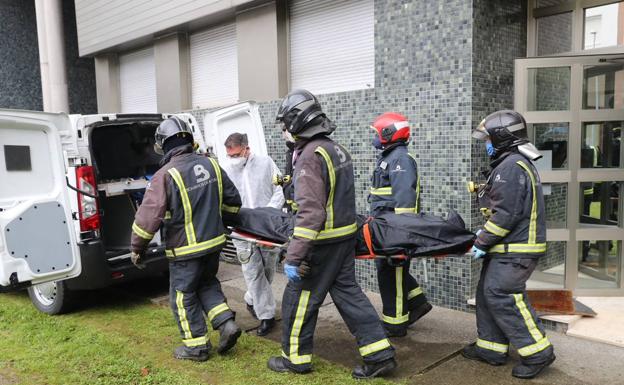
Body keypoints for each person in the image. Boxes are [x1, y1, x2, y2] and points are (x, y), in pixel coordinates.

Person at [267, 89, 397, 379]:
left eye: (284, 125)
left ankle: (295, 359)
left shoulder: (310, 156)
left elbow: (311, 212)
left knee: (299, 299)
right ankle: (380, 355)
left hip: (320, 243)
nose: (284, 132)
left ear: (297, 122)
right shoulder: (334, 148)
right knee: (350, 295)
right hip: (343, 239)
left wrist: (294, 254)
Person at [129, 117, 243, 362]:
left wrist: (137, 248)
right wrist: (223, 221)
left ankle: (197, 347)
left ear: (163, 145)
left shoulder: (164, 175)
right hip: (213, 244)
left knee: (182, 296)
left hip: (185, 250)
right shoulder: (212, 164)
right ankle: (226, 324)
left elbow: (148, 217)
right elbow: (233, 201)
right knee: (207, 284)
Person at [464, 110, 556, 379]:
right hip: (508, 247)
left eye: (488, 138)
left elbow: (507, 214)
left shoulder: (510, 167)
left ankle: (538, 352)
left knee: (502, 295)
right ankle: (491, 348)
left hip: (517, 249)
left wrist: (482, 240)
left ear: (502, 137)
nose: (486, 143)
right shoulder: (514, 163)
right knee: (486, 293)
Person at [369, 112, 432, 337]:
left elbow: (405, 201)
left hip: (393, 231)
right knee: (387, 270)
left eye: (377, 133)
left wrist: (400, 237)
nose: (374, 138)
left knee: (391, 274)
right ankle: (418, 302)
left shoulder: (400, 160)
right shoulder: (390, 157)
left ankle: (395, 325)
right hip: (385, 227)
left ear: (389, 134)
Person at [222, 132, 285, 336]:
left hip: (267, 227)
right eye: (229, 156)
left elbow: (279, 190)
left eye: (236, 155)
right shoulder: (227, 169)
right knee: (253, 272)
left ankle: (251, 298)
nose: (232, 160)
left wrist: (267, 214)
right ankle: (266, 316)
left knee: (268, 270)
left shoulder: (266, 163)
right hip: (241, 229)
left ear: (247, 149)